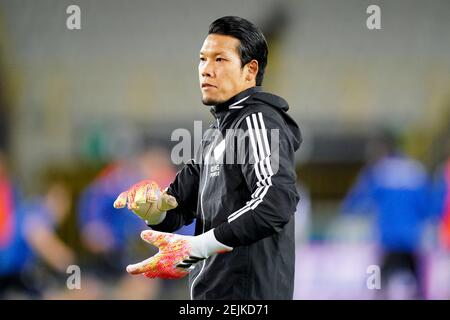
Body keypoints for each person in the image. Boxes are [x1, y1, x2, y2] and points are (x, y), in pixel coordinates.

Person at [114, 16, 302, 300]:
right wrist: (152, 210)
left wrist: (197, 246)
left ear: (250, 71)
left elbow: (274, 202)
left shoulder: (259, 121)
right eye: (203, 59)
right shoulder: (214, 134)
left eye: (219, 60)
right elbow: (177, 208)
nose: (206, 70)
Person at [341, 131, 430, 299]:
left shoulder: (379, 171)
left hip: (388, 239)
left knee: (378, 285)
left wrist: (348, 212)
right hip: (411, 238)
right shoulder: (416, 170)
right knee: (417, 286)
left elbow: (358, 201)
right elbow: (426, 207)